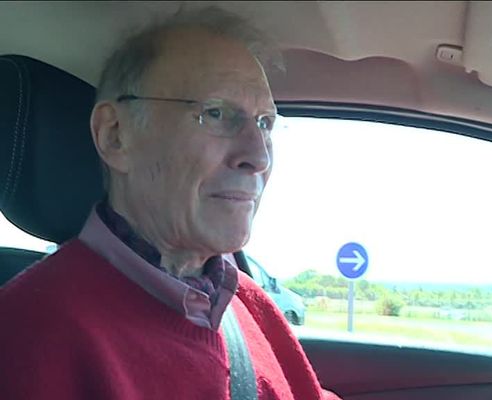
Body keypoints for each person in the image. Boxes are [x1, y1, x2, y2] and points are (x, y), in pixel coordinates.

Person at [0, 7, 340, 400]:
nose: (259, 157)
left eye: (264, 123)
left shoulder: (248, 306)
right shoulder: (27, 335)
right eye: (216, 114)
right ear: (115, 136)